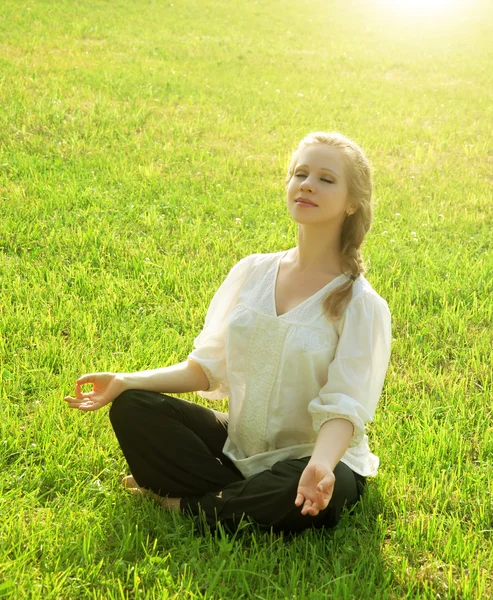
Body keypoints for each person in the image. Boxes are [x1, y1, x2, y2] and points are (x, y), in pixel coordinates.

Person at [65, 132, 392, 533]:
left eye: (326, 179)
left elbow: (344, 408)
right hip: (239, 446)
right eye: (300, 173)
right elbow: (205, 368)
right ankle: (240, 500)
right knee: (134, 406)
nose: (307, 184)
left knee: (320, 488)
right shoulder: (252, 272)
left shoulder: (360, 303)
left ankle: (182, 503)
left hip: (313, 459)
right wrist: (124, 380)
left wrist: (321, 465)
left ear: (352, 202)